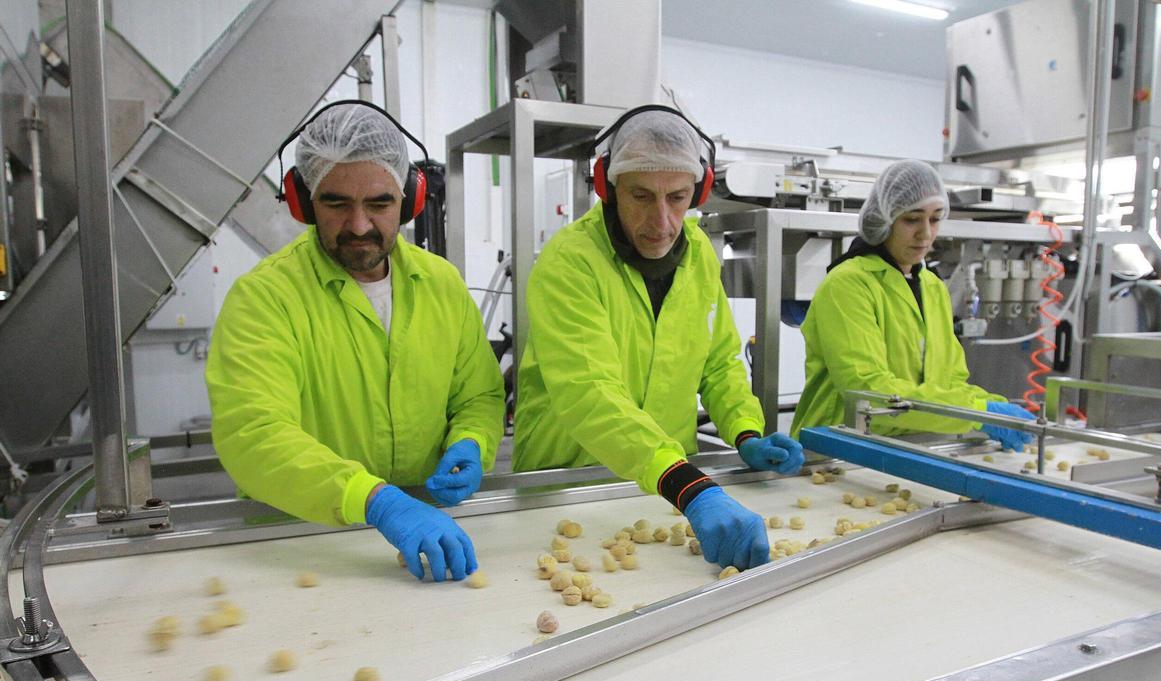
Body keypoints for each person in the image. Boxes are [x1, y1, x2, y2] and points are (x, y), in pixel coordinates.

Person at [206, 101, 504, 582]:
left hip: (428, 540)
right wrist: (376, 501)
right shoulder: (264, 299)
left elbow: (479, 395)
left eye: (380, 204)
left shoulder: (442, 285)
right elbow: (253, 434)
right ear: (304, 202)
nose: (360, 225)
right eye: (337, 203)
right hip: (305, 549)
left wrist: (471, 440)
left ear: (410, 200)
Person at [513, 105, 805, 572]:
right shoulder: (570, 262)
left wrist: (746, 431)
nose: (662, 220)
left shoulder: (699, 258)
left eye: (678, 197)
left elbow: (719, 363)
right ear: (609, 189)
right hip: (571, 486)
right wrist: (689, 486)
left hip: (667, 491)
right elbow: (589, 392)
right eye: (642, 196)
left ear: (699, 191)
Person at [790, 159, 1034, 449]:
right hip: (839, 448)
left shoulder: (932, 287)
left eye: (935, 219)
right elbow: (867, 390)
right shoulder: (848, 284)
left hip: (909, 449)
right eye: (912, 219)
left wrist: (994, 408)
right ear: (884, 219)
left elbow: (949, 381)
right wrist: (977, 414)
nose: (926, 234)